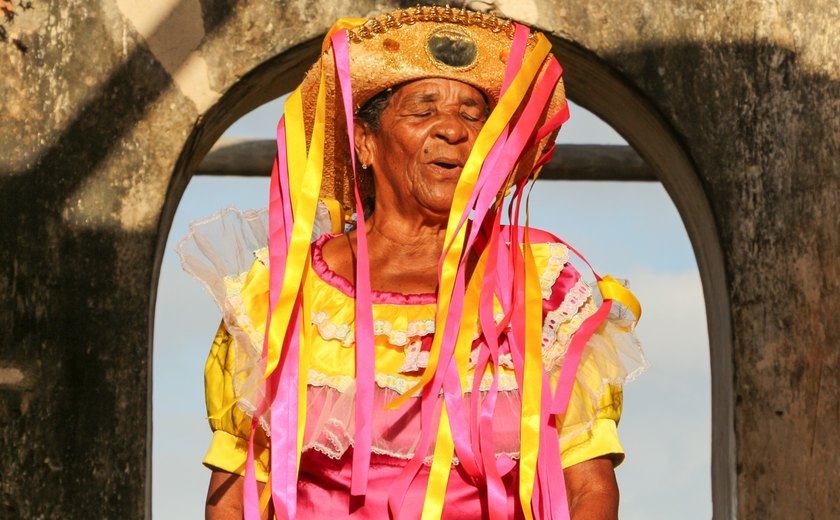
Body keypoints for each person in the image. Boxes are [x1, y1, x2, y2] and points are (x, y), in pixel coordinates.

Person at [178, 6, 645, 519]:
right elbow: (237, 489)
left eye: (473, 116)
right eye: (423, 111)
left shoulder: (543, 290)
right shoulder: (280, 294)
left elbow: (589, 488)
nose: (453, 130)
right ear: (366, 143)